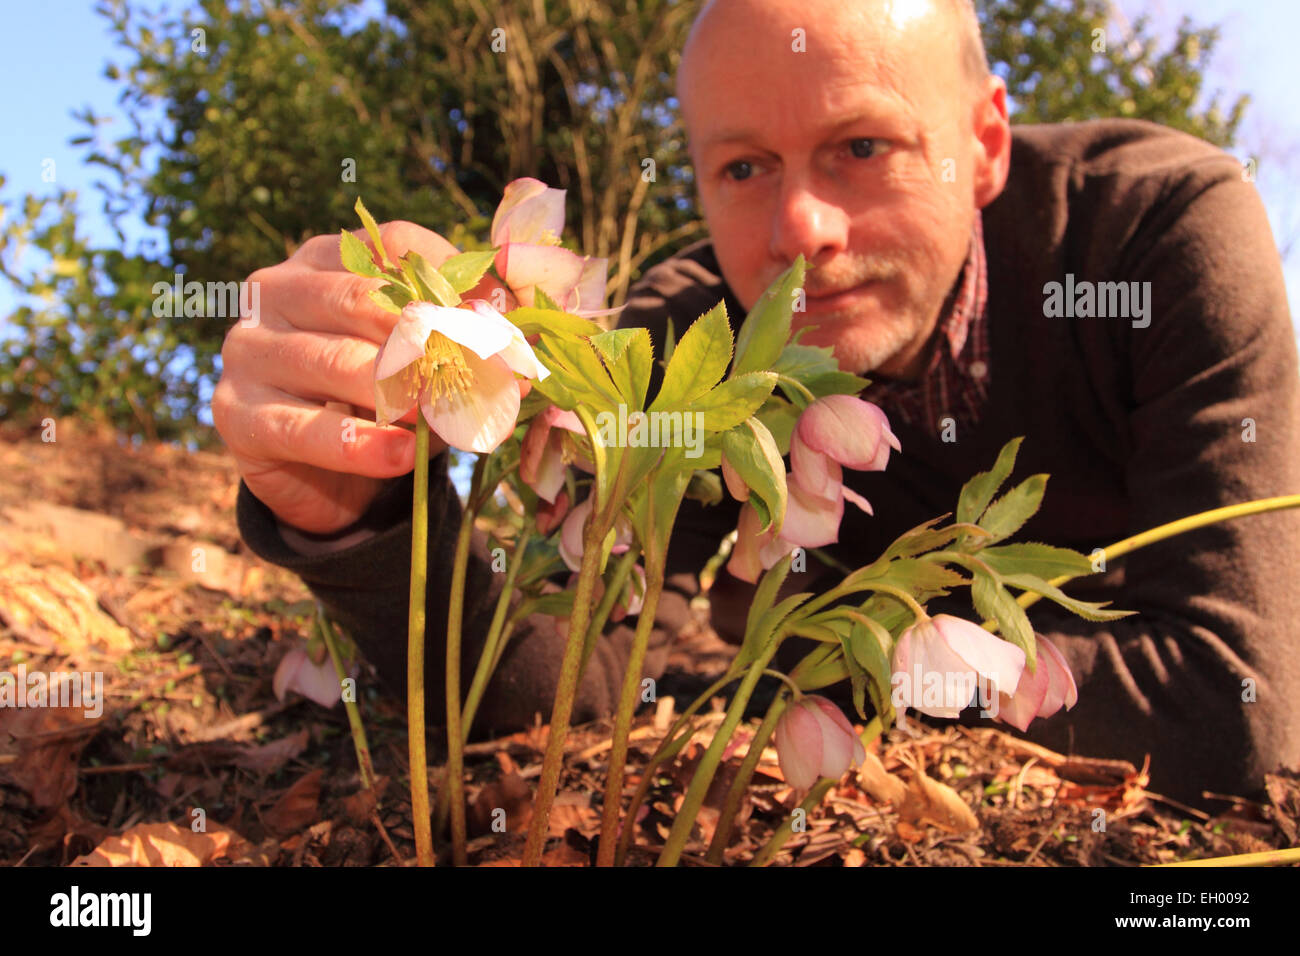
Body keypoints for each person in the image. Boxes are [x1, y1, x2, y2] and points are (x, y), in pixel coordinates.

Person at [213, 0, 1300, 808]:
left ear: (983, 144)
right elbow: (572, 674)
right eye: (742, 167)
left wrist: (813, 666)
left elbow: (1240, 701)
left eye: (860, 146)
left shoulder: (1158, 231)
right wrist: (356, 518)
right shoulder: (685, 346)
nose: (800, 229)